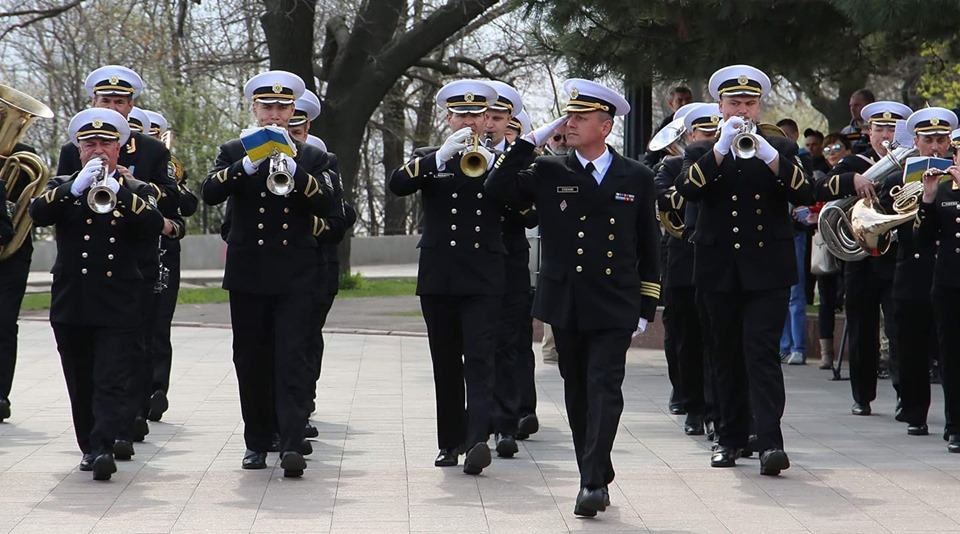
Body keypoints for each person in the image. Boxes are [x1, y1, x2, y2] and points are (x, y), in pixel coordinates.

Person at [486, 78, 661, 516]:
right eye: (570, 116)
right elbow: (496, 189)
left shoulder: (636, 176)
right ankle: (597, 463)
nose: (571, 123)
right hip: (565, 301)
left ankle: (590, 484)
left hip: (614, 301)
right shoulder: (549, 170)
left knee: (604, 386)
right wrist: (531, 141)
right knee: (577, 390)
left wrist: (645, 305)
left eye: (582, 117)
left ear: (605, 126)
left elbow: (649, 245)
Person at [676, 64, 812, 475]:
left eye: (749, 103)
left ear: (759, 106)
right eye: (734, 103)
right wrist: (722, 146)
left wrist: (770, 153)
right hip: (719, 269)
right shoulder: (702, 151)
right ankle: (728, 438)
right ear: (720, 106)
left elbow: (805, 192)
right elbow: (689, 189)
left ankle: (770, 441)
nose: (743, 110)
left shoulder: (781, 150)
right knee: (725, 353)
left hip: (767, 269)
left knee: (761, 353)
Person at [200, 70, 335, 477]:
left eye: (283, 107)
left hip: (295, 273)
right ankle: (256, 442)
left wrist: (298, 175)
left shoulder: (313, 156)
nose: (275, 115)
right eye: (267, 107)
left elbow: (331, 207)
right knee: (251, 359)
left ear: (294, 110)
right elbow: (210, 193)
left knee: (293, 357)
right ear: (255, 110)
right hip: (248, 273)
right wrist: (246, 163)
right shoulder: (232, 150)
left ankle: (292, 442)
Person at [29, 108, 164, 480]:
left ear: (120, 148)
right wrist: (74, 188)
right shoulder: (62, 186)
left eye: (106, 143)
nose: (98, 150)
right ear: (78, 148)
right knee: (80, 377)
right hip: (73, 298)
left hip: (119, 298)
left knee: (111, 376)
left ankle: (104, 446)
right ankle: (89, 445)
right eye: (90, 144)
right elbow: (37, 213)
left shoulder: (135, 189)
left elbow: (154, 224)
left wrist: (120, 191)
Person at [56, 65, 182, 458]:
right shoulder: (70, 152)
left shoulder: (152, 150)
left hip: (135, 267)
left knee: (130, 352)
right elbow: (48, 208)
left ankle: (121, 428)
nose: (112, 106)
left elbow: (174, 204)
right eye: (104, 100)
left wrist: (127, 187)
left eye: (119, 102)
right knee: (87, 367)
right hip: (79, 278)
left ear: (131, 106)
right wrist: (77, 184)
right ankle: (100, 437)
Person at [387, 79, 504, 476]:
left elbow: (524, 208)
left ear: (488, 118)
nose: (468, 121)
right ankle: (449, 442)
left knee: (480, 360)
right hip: (439, 274)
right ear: (447, 117)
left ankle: (477, 440)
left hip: (484, 273)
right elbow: (397, 185)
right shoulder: (429, 156)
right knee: (446, 361)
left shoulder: (499, 158)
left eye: (476, 115)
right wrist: (439, 157)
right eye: (461, 114)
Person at [814, 100, 910, 416]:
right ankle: (862, 395)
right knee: (861, 328)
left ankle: (905, 396)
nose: (885, 134)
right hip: (861, 260)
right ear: (868, 132)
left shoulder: (912, 163)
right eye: (879, 128)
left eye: (892, 129)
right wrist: (851, 180)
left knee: (900, 328)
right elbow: (821, 189)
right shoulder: (854, 162)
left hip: (898, 256)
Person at [887, 108, 954, 437]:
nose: (936, 147)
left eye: (942, 140)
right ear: (916, 142)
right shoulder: (896, 177)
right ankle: (915, 411)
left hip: (946, 272)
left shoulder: (956, 178)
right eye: (929, 140)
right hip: (911, 270)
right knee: (911, 346)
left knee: (949, 348)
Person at [654, 102, 719, 436]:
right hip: (681, 257)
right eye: (704, 133)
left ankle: (714, 406)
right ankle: (692, 404)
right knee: (686, 337)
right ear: (690, 135)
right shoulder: (672, 166)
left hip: (714, 259)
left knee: (715, 338)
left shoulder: (730, 164)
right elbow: (664, 199)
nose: (710, 138)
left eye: (715, 133)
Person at [484, 81, 540, 452]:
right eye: (484, 116)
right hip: (471, 262)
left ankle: (517, 413)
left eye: (498, 116)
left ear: (510, 121)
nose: (489, 123)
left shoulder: (526, 160)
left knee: (514, 341)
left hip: (510, 259)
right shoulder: (454, 153)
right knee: (479, 343)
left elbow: (532, 214)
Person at [142, 109, 198, 423]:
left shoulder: (168, 167)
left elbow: (187, 205)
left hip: (164, 251)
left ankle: (156, 390)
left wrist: (162, 187)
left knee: (159, 324)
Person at [0, 95, 47, 423]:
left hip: (10, 253)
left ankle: (1, 395)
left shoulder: (25, 157)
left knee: (4, 324)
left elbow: (25, 207)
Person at [919, 125, 960, 452]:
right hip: (948, 283)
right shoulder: (943, 192)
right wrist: (929, 197)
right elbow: (922, 239)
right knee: (951, 356)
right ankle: (955, 423)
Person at [811, 133, 851, 370]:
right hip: (828, 244)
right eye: (827, 150)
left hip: (851, 245)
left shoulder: (858, 173)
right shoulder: (824, 180)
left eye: (836, 147)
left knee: (850, 297)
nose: (832, 153)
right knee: (826, 299)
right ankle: (826, 353)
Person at [643, 85, 693, 167]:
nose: (684, 103)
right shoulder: (663, 127)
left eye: (687, 99)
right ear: (671, 103)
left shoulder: (701, 120)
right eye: (679, 101)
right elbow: (650, 159)